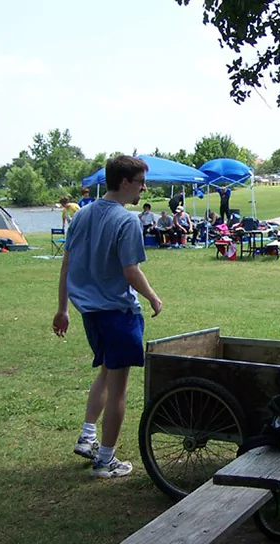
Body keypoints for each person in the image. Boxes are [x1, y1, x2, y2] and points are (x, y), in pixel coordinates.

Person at [53, 155, 163, 479]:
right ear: (125, 182)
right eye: (141, 182)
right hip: (118, 313)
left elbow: (66, 266)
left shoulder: (81, 215)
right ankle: (105, 460)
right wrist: (153, 297)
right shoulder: (127, 221)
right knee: (119, 388)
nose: (144, 188)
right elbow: (131, 271)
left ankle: (88, 437)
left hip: (91, 315)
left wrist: (62, 309)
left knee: (106, 372)